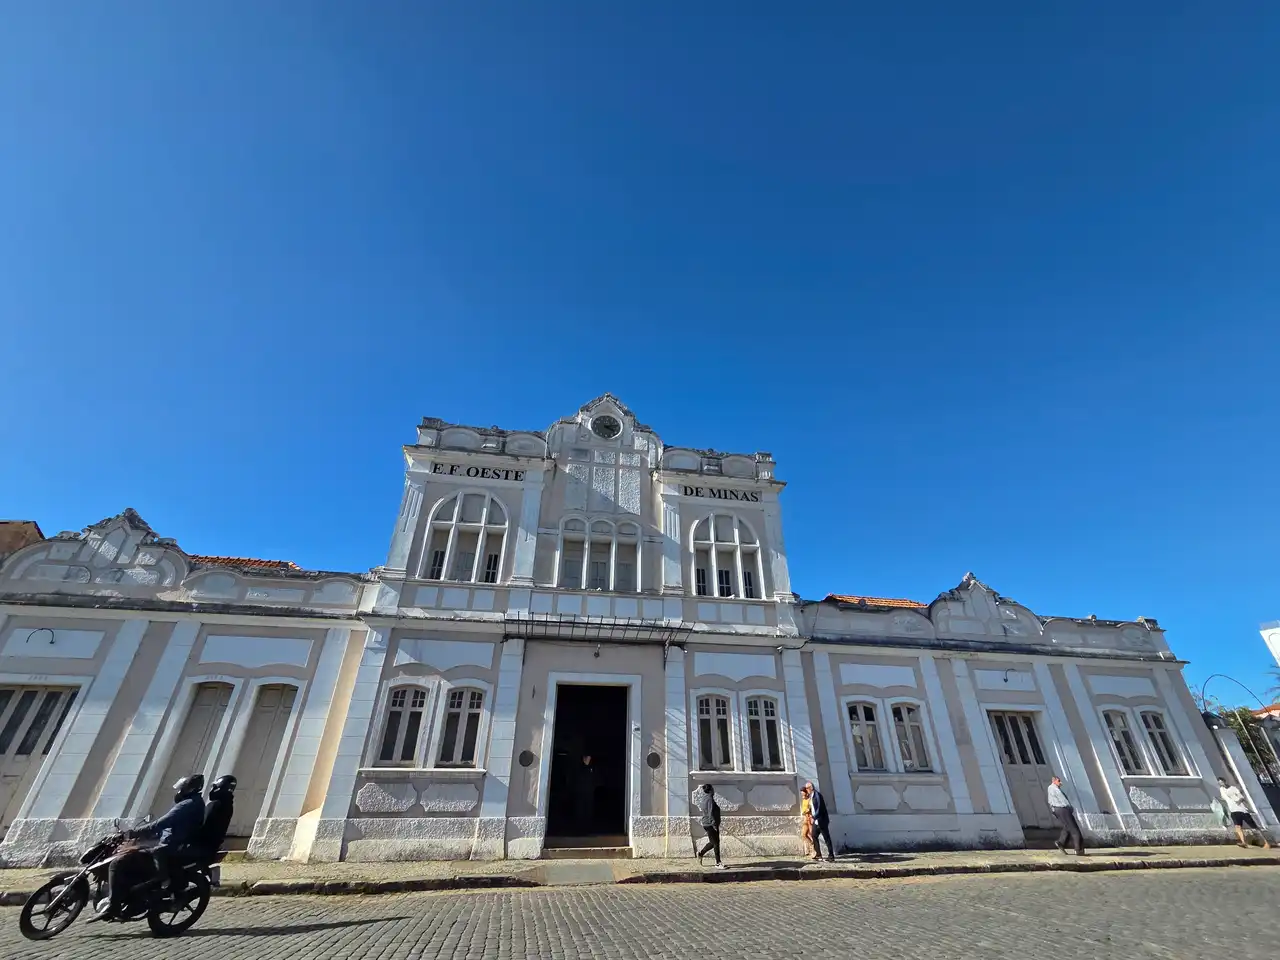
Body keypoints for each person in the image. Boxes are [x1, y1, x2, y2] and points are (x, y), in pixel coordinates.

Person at [92, 774, 206, 921]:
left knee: (117, 863)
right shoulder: (193, 802)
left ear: (190, 789)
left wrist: (131, 833)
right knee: (133, 855)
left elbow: (161, 823)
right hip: (170, 843)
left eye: (182, 788)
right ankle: (130, 896)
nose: (179, 791)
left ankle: (114, 906)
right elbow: (167, 826)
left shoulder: (187, 805)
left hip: (169, 847)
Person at [1218, 777, 1272, 849]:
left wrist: (1239, 801)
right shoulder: (1221, 789)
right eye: (1220, 783)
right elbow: (1224, 798)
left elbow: (1242, 797)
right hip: (1233, 811)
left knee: (1254, 827)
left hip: (1242, 810)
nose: (1221, 784)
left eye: (1222, 782)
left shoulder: (1233, 788)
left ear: (1225, 781)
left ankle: (1266, 843)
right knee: (1237, 827)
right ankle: (1244, 842)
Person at [193, 775, 237, 857]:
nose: (212, 790)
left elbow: (202, 824)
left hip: (201, 846)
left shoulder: (215, 805)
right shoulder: (228, 804)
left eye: (214, 787)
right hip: (213, 845)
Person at [1047, 775, 1085, 856]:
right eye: (1058, 781)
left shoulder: (1050, 789)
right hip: (1063, 809)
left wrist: (1053, 811)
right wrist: (1070, 807)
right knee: (1074, 829)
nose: (1060, 782)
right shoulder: (1054, 788)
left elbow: (1050, 802)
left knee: (1067, 827)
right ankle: (1079, 849)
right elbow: (1063, 800)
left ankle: (1061, 842)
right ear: (1054, 781)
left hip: (1057, 810)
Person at [695, 783, 726, 869]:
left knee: (713, 842)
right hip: (710, 824)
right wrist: (714, 824)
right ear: (711, 790)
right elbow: (710, 812)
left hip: (707, 823)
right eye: (713, 789)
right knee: (716, 843)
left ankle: (701, 853)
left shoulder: (704, 799)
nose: (714, 790)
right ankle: (718, 863)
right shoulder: (709, 799)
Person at [805, 781, 836, 862]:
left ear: (811, 788)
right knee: (814, 835)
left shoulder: (817, 795)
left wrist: (814, 817)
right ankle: (818, 854)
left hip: (822, 820)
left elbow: (820, 808)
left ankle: (831, 855)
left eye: (807, 788)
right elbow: (814, 808)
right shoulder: (811, 796)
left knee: (826, 838)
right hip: (816, 821)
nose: (806, 790)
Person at [574, 755, 598, 831]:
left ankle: (588, 827)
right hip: (580, 792)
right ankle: (580, 828)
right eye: (587, 758)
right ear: (584, 759)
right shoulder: (579, 768)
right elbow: (576, 779)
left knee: (589, 809)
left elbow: (594, 779)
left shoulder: (592, 768)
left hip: (589, 792)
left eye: (589, 758)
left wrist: (593, 788)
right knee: (580, 809)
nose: (588, 759)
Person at [800, 783, 816, 857]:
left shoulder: (810, 799)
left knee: (811, 834)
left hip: (809, 818)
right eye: (801, 794)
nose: (802, 795)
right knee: (803, 835)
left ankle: (814, 851)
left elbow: (811, 808)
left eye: (803, 793)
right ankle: (811, 847)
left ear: (806, 793)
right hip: (805, 818)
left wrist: (807, 810)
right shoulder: (803, 800)